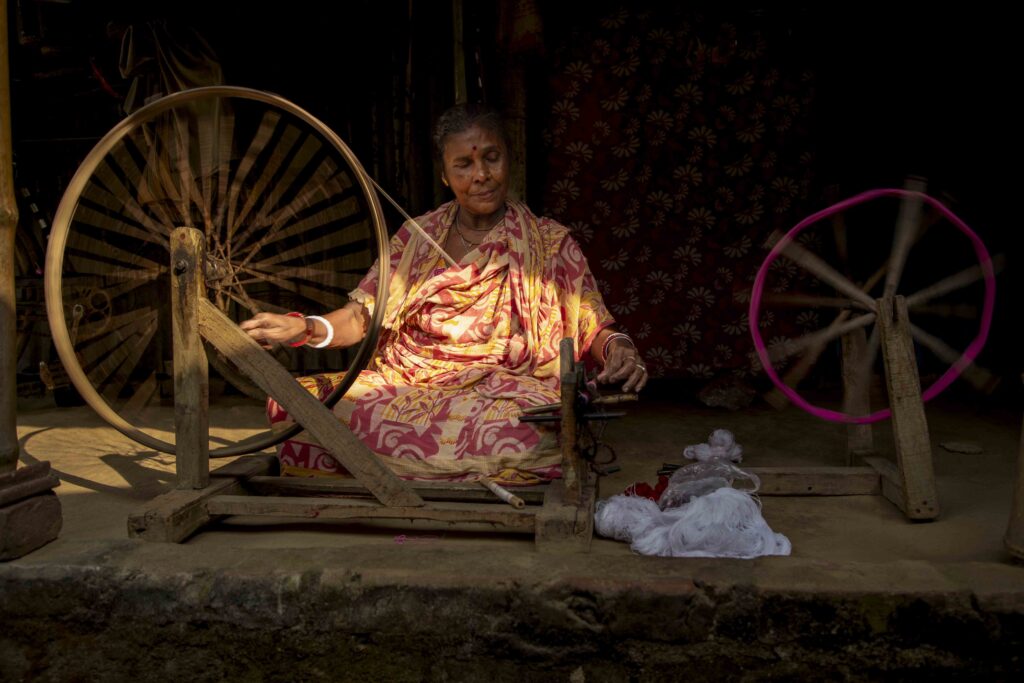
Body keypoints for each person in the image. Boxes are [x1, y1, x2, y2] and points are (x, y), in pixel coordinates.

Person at [240, 103, 647, 483]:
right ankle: (455, 468)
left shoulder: (550, 243)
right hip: (408, 384)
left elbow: (594, 327)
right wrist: (304, 328)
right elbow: (360, 317)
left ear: (510, 158)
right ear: (445, 176)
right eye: (464, 164)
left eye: (491, 157)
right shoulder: (415, 239)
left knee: (532, 428)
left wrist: (620, 350)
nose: (481, 175)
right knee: (297, 404)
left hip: (504, 390)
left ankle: (403, 466)